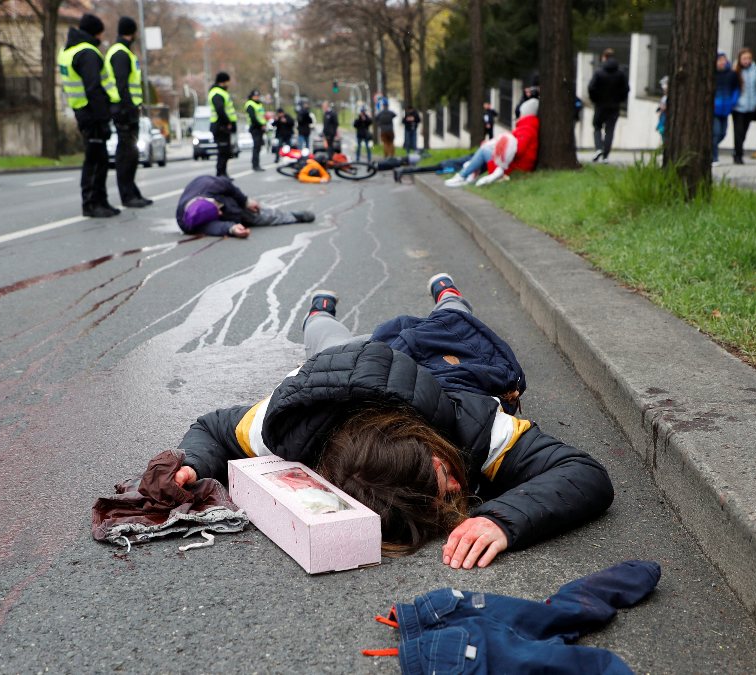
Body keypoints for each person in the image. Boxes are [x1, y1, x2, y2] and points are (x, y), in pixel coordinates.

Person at [171, 273, 614, 567]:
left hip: (444, 364)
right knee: (326, 340)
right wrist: (194, 461)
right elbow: (214, 431)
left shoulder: (473, 425)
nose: (461, 486)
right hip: (343, 366)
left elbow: (585, 474)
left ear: (429, 443)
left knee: (453, 320)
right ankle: (319, 312)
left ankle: (449, 294)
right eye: (444, 492)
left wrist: (502, 519)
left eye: (444, 475)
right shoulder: (291, 428)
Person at [59, 13, 118, 218]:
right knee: (95, 160)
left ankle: (100, 201)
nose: (101, 38)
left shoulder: (68, 50)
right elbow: (93, 88)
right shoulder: (88, 53)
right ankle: (92, 203)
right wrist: (103, 118)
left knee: (99, 158)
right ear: (95, 33)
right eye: (100, 34)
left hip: (82, 111)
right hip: (92, 113)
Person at [175, 175, 315, 239]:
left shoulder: (207, 184)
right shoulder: (188, 222)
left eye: (216, 209)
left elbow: (230, 187)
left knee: (262, 215)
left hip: (233, 204)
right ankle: (292, 217)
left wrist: (246, 201)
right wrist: (231, 228)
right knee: (259, 218)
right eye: (216, 214)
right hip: (232, 218)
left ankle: (294, 216)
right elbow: (210, 227)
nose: (219, 212)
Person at [106, 17, 152, 209]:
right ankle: (128, 195)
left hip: (126, 109)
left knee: (130, 154)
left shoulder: (123, 52)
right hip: (124, 110)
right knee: (127, 154)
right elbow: (122, 84)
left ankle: (132, 192)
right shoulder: (120, 54)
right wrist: (129, 108)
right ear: (132, 33)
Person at [445, 97, 539, 187]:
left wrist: (499, 148)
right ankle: (468, 175)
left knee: (484, 150)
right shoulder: (527, 127)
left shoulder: (526, 128)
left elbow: (517, 151)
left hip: (514, 167)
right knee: (486, 150)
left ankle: (463, 175)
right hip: (513, 165)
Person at [587, 49, 629, 163]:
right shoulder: (620, 73)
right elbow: (626, 89)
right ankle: (606, 155)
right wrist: (620, 99)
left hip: (600, 105)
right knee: (610, 130)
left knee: (597, 126)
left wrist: (594, 99)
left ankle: (598, 148)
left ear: (604, 57)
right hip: (614, 106)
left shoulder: (599, 72)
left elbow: (591, 88)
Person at [731, 47, 756, 165]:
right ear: (740, 59)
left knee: (744, 132)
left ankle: (737, 151)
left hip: (751, 105)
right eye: (744, 58)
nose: (746, 61)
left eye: (748, 58)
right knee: (738, 132)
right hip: (738, 107)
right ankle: (738, 154)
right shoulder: (736, 71)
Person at [712, 51, 740, 166]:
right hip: (714, 109)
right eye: (719, 60)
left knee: (723, 133)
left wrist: (733, 102)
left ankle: (708, 148)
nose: (722, 62)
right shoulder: (712, 74)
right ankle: (714, 157)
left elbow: (736, 89)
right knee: (716, 133)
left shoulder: (732, 75)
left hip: (726, 109)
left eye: (723, 59)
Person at [207, 71, 236, 178]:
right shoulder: (217, 93)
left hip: (222, 126)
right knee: (223, 151)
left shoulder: (221, 92)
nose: (228, 84)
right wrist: (227, 122)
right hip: (220, 126)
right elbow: (220, 109)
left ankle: (223, 173)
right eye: (227, 81)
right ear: (223, 81)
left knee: (226, 151)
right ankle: (221, 174)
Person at [244, 89, 266, 171]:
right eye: (255, 96)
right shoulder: (250, 104)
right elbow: (253, 117)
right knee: (256, 147)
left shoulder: (259, 104)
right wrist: (261, 125)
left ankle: (257, 164)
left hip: (260, 128)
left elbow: (261, 116)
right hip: (255, 128)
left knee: (259, 147)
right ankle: (255, 165)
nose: (256, 97)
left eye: (258, 96)